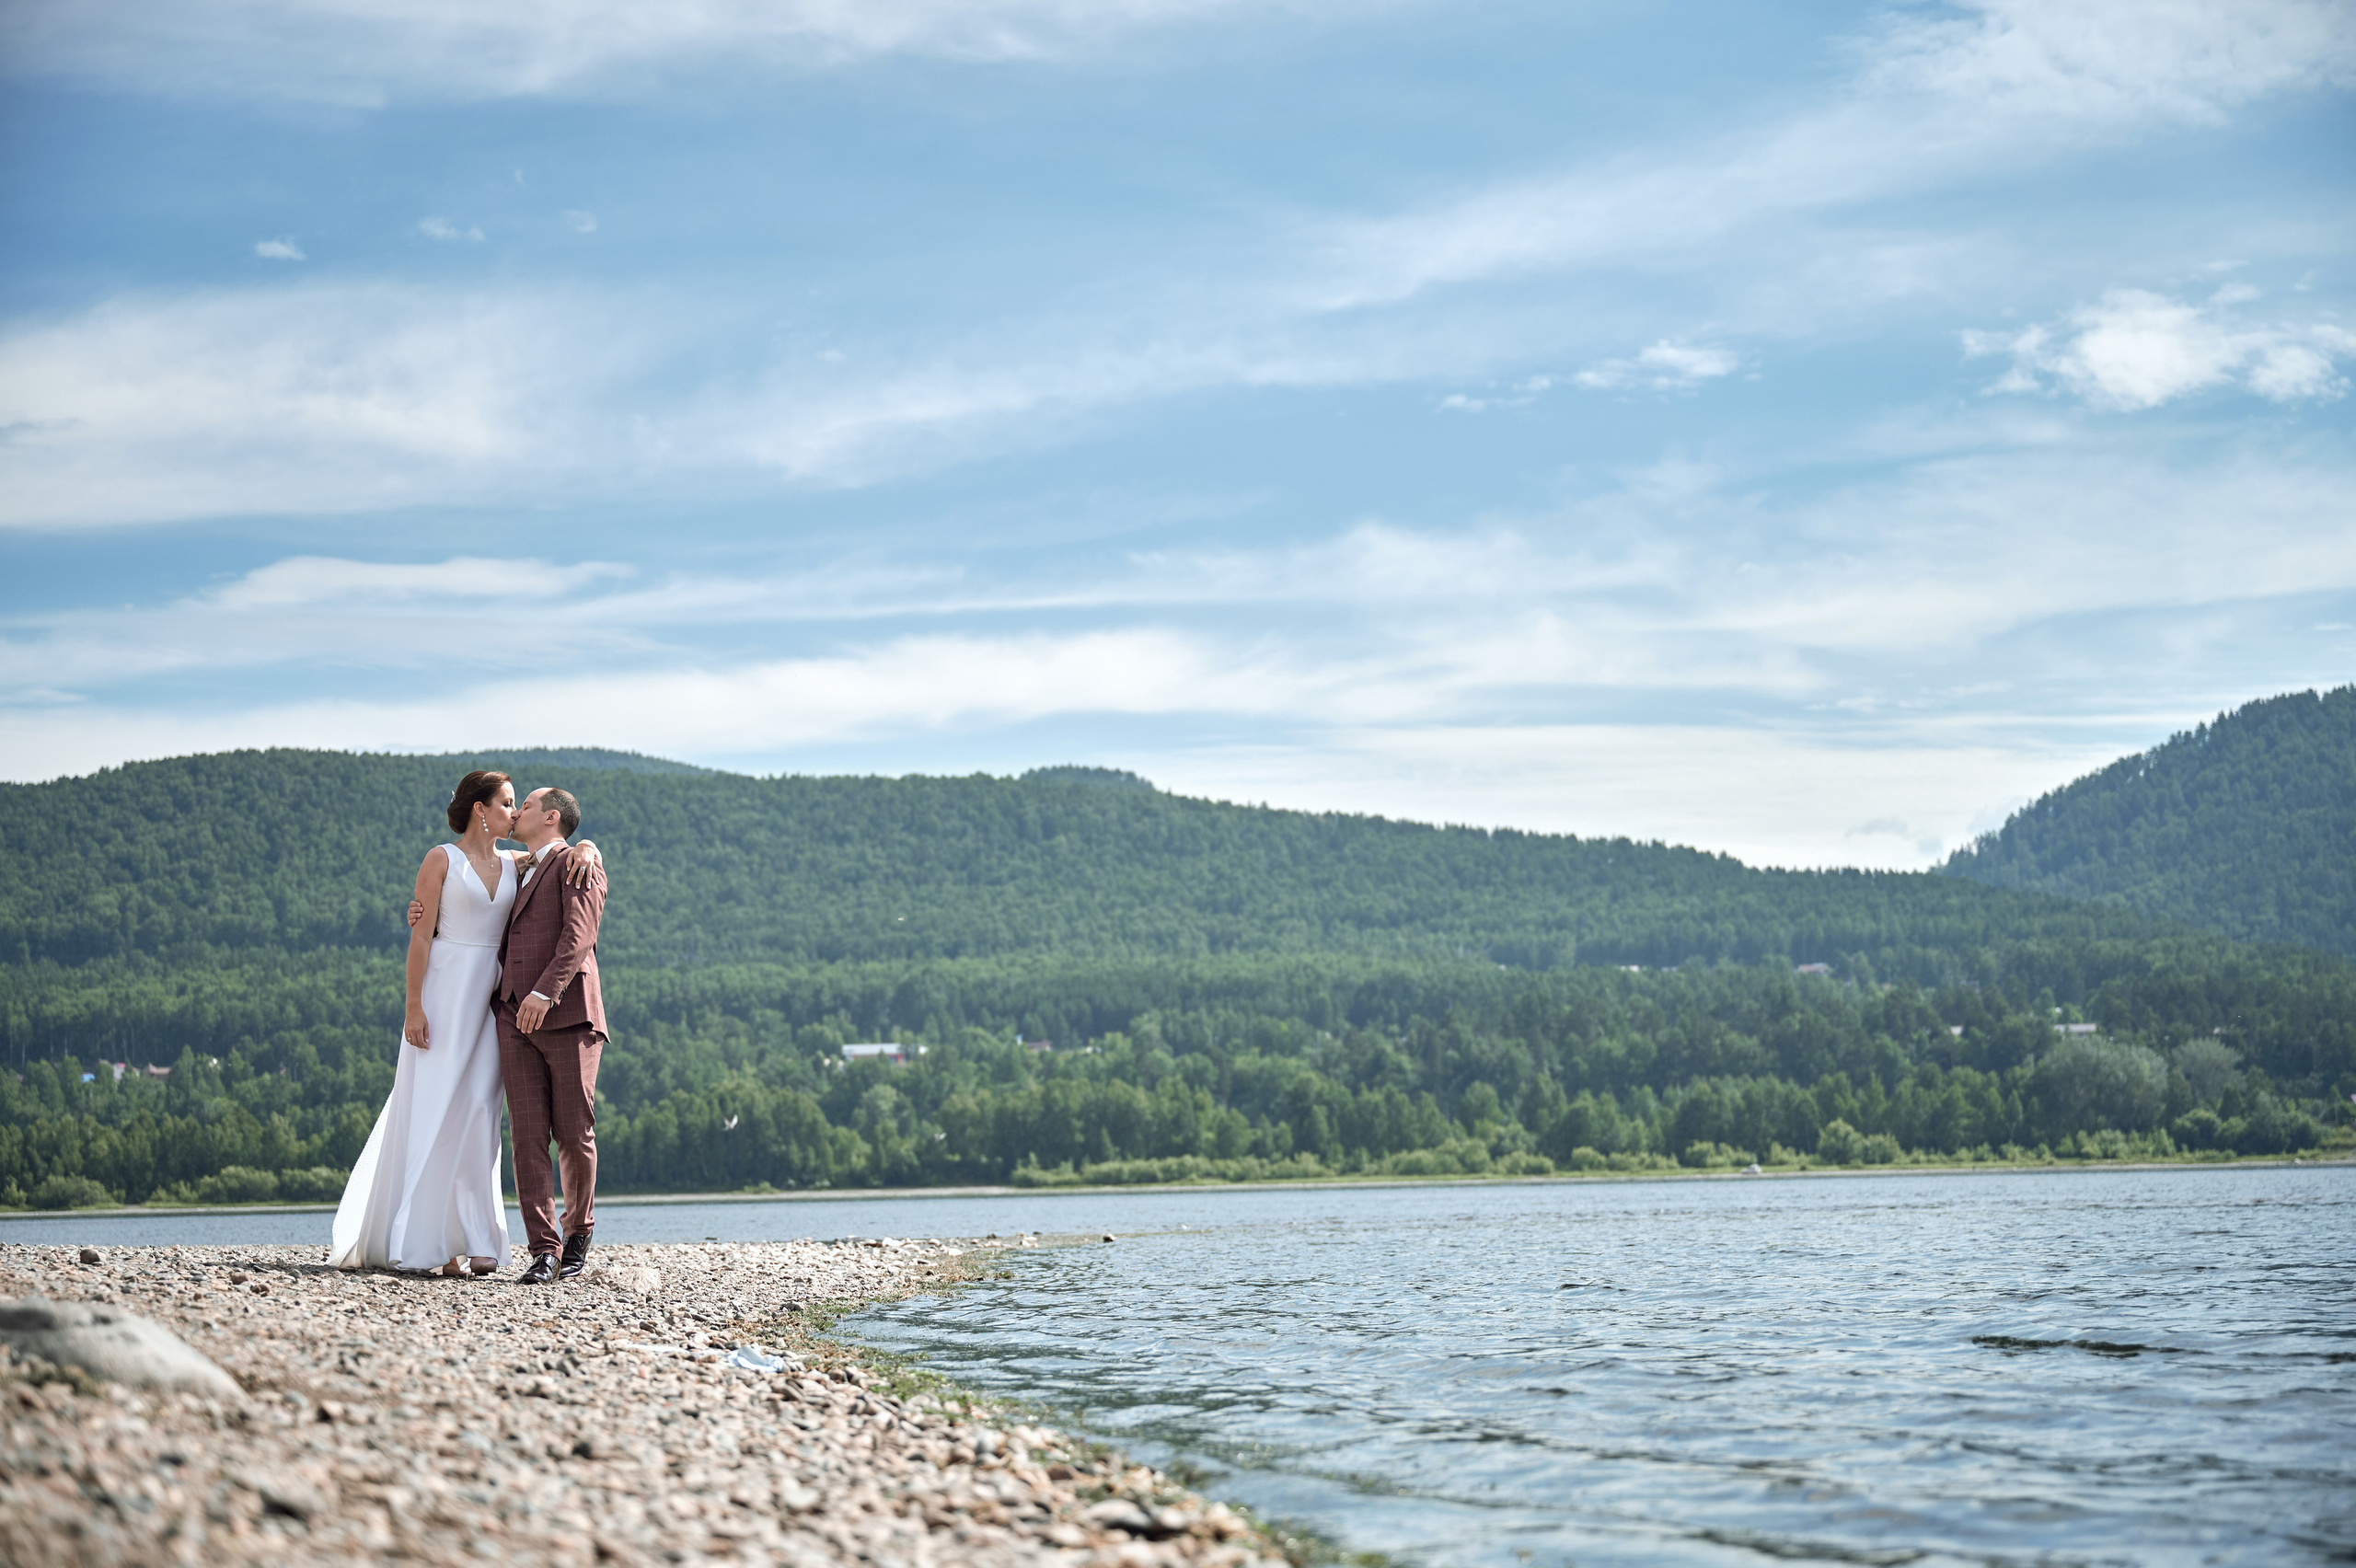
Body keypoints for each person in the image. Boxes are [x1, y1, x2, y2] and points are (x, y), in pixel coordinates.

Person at [329, 771, 601, 1275]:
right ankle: (427, 1239)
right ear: (482, 809)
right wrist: (414, 1007)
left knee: (480, 1114)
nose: (515, 812)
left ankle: (478, 1236)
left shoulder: (516, 864)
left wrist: (590, 846)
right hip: (445, 992)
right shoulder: (440, 859)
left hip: (496, 1002)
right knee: (435, 1108)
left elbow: (562, 856)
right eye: (507, 803)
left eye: (520, 805)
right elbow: (421, 937)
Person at [491, 785, 610, 1285]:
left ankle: (577, 1234)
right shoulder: (516, 868)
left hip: (566, 1013)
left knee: (573, 1131)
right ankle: (543, 1250)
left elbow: (579, 935)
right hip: (512, 1017)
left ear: (552, 816)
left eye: (527, 805)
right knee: (525, 1137)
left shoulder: (579, 864)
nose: (517, 811)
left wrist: (544, 993)